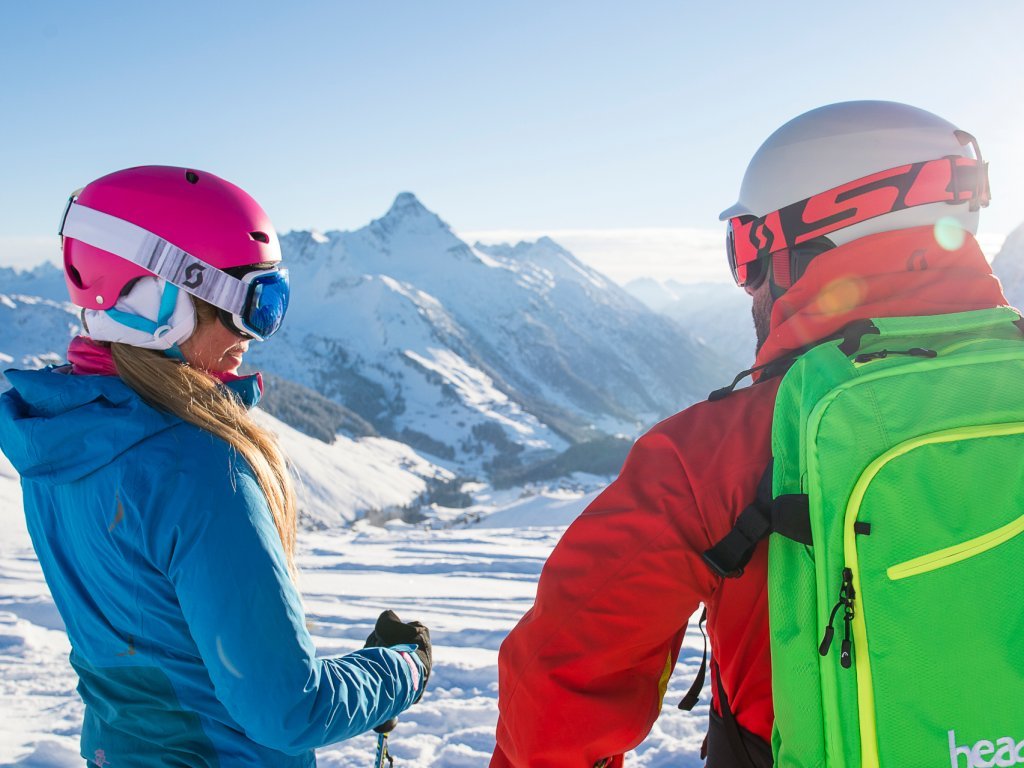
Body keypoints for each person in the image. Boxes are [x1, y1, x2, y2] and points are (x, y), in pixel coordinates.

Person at [490, 101, 1009, 767]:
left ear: (809, 239)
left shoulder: (712, 454)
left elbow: (558, 685)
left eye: (747, 251)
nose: (747, 285)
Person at [0, 166, 432, 767]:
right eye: (249, 304)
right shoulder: (197, 469)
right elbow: (288, 709)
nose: (256, 335)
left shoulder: (57, 437)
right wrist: (401, 668)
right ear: (154, 301)